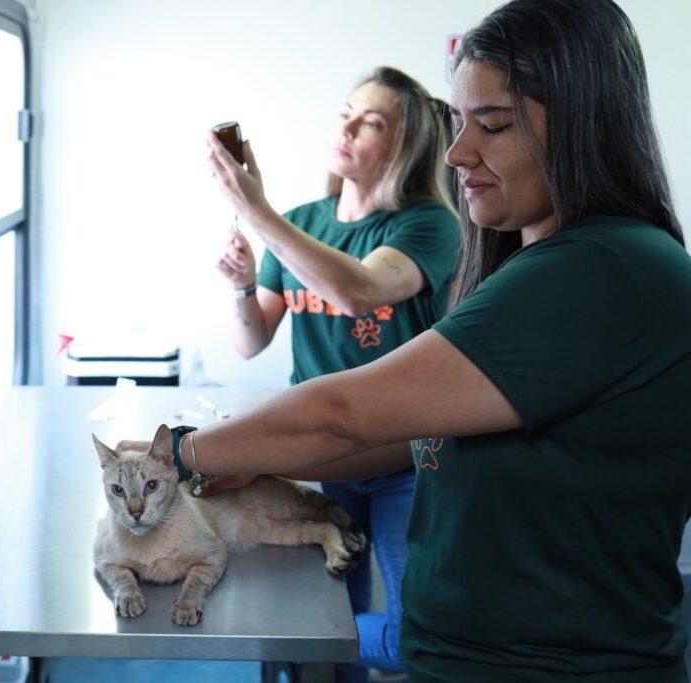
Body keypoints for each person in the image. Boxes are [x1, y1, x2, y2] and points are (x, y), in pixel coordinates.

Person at [194, 0, 690, 680]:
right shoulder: (532, 264)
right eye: (459, 122)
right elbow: (418, 429)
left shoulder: (597, 269)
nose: (458, 153)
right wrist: (259, 455)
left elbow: (345, 411)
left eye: (493, 124)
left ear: (584, 124)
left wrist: (178, 452)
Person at [210, 67, 458, 681]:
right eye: (346, 113)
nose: (345, 129)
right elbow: (250, 341)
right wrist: (243, 285)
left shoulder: (429, 226)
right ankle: (310, 644)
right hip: (318, 458)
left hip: (405, 462)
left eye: (369, 123)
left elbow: (358, 291)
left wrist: (255, 210)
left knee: (412, 638)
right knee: (325, 615)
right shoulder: (301, 223)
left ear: (404, 146)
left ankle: (299, 638)